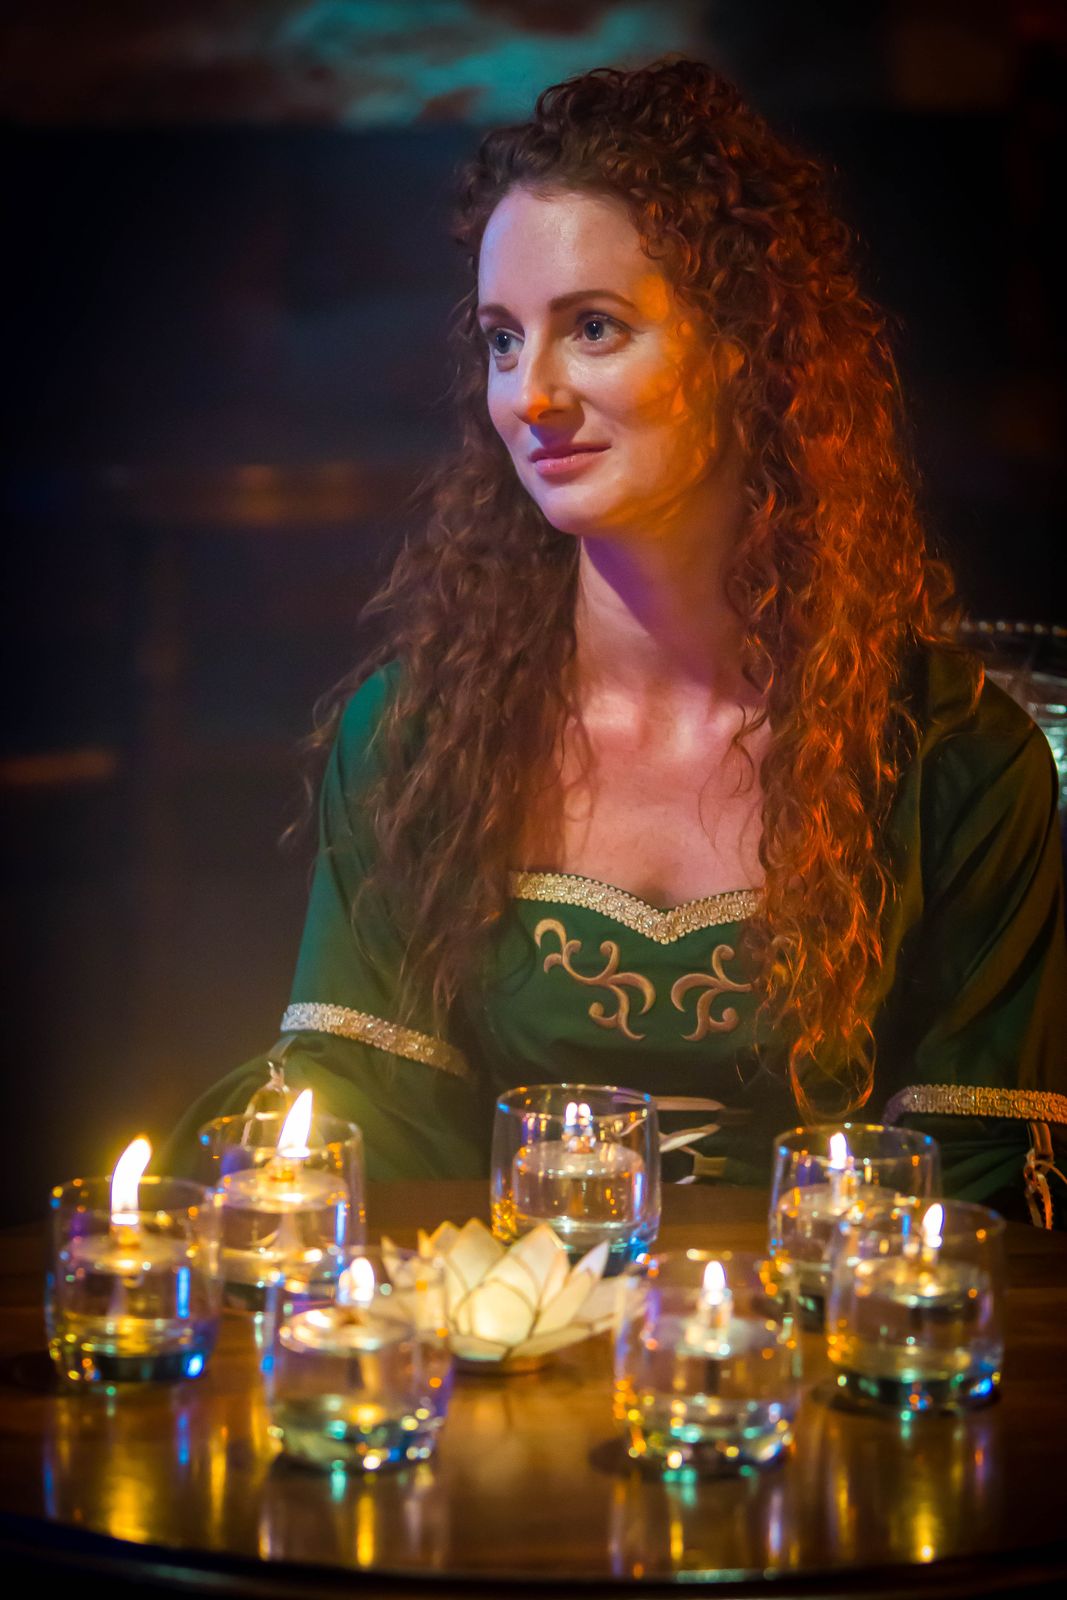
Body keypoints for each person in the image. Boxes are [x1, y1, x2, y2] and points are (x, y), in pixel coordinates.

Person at [165, 57, 1067, 1224]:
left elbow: (976, 1193)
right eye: (501, 340)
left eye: (591, 327)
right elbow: (371, 1119)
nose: (529, 394)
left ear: (743, 345)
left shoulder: (952, 760)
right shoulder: (417, 733)